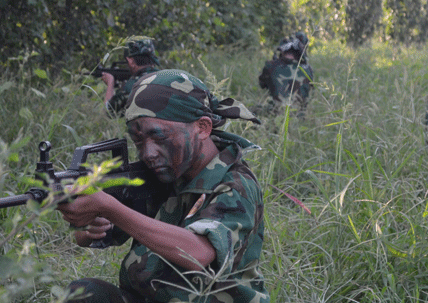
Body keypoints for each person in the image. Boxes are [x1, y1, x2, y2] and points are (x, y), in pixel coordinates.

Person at [57, 70, 270, 302]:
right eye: (138, 140)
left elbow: (199, 253)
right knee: (84, 293)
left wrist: (110, 208)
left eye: (159, 137)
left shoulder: (235, 183)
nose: (148, 153)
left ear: (202, 127)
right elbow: (87, 238)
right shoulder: (162, 174)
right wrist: (89, 221)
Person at [258, 31, 314, 116]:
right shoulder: (308, 70)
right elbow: (310, 91)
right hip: (298, 119)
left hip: (274, 116)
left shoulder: (271, 66)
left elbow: (262, 84)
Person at [103, 38, 161, 118]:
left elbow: (110, 112)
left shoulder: (132, 86)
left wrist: (110, 83)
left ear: (130, 61)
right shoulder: (166, 77)